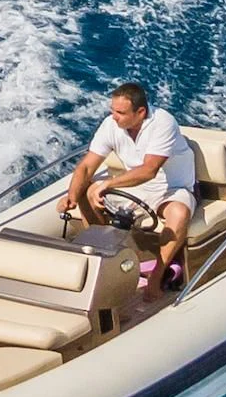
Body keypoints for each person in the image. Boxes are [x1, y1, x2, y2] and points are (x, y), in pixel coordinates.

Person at [59, 82, 198, 288]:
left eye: (120, 112)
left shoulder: (163, 123)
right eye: (112, 110)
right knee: (87, 193)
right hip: (137, 188)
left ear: (140, 112)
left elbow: (149, 170)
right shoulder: (111, 125)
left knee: (178, 213)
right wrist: (71, 196)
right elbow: (87, 167)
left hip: (172, 189)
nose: (114, 116)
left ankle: (156, 278)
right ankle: (106, 258)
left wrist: (109, 184)